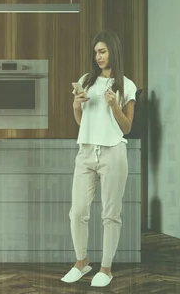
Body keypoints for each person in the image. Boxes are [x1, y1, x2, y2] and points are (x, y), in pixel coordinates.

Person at [60, 30, 137, 288]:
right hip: (86, 152)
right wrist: (75, 104)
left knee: (110, 214)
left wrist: (114, 105)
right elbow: (82, 122)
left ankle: (106, 268)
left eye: (102, 51)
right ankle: (81, 263)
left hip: (113, 152)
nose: (98, 57)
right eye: (96, 52)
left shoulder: (127, 85)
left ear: (113, 51)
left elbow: (127, 128)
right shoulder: (86, 80)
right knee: (77, 211)